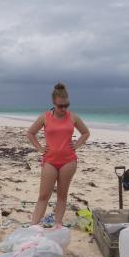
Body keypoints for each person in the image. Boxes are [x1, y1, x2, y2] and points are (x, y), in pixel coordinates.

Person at [27, 83, 90, 227]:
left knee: (62, 196)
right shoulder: (45, 117)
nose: (63, 109)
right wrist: (40, 148)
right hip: (50, 161)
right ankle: (33, 226)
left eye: (66, 105)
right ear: (53, 103)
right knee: (43, 196)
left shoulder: (73, 117)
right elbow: (30, 133)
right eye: (60, 106)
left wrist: (77, 145)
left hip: (68, 161)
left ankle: (58, 224)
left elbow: (85, 133)